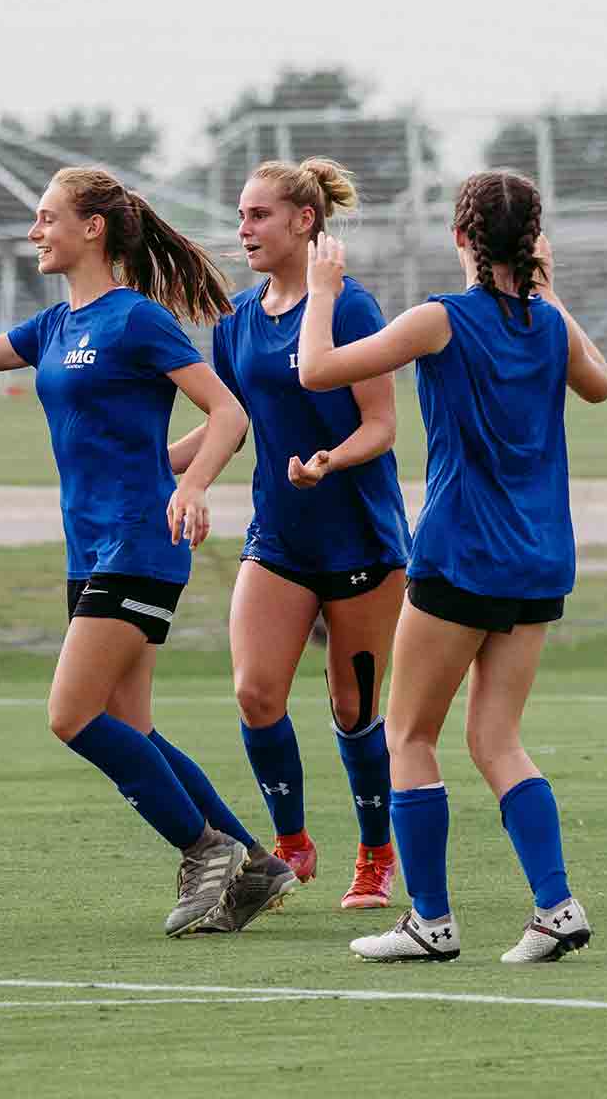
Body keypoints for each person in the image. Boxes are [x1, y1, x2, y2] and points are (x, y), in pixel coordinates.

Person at [0, 168, 296, 937]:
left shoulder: (136, 320)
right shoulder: (53, 327)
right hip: (93, 550)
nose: (35, 232)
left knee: (71, 715)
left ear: (93, 229)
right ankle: (254, 859)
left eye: (47, 219)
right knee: (128, 727)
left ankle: (204, 851)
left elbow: (229, 413)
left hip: (141, 543)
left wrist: (193, 483)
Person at [297, 170, 607, 963]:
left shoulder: (439, 320)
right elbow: (600, 384)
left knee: (409, 732)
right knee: (498, 738)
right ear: (533, 243)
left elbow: (316, 370)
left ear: (461, 239)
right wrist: (547, 287)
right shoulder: (549, 325)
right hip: (538, 560)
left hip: (460, 554)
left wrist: (322, 288)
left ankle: (430, 921)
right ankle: (556, 906)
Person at [174, 159, 410, 931]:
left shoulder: (349, 305)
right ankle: (292, 844)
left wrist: (329, 462)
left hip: (363, 541)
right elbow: (227, 422)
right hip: (278, 539)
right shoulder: (236, 321)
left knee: (353, 710)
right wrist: (153, 468)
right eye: (241, 216)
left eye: (258, 216)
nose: (243, 229)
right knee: (254, 693)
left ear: (304, 222)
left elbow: (381, 426)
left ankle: (376, 854)